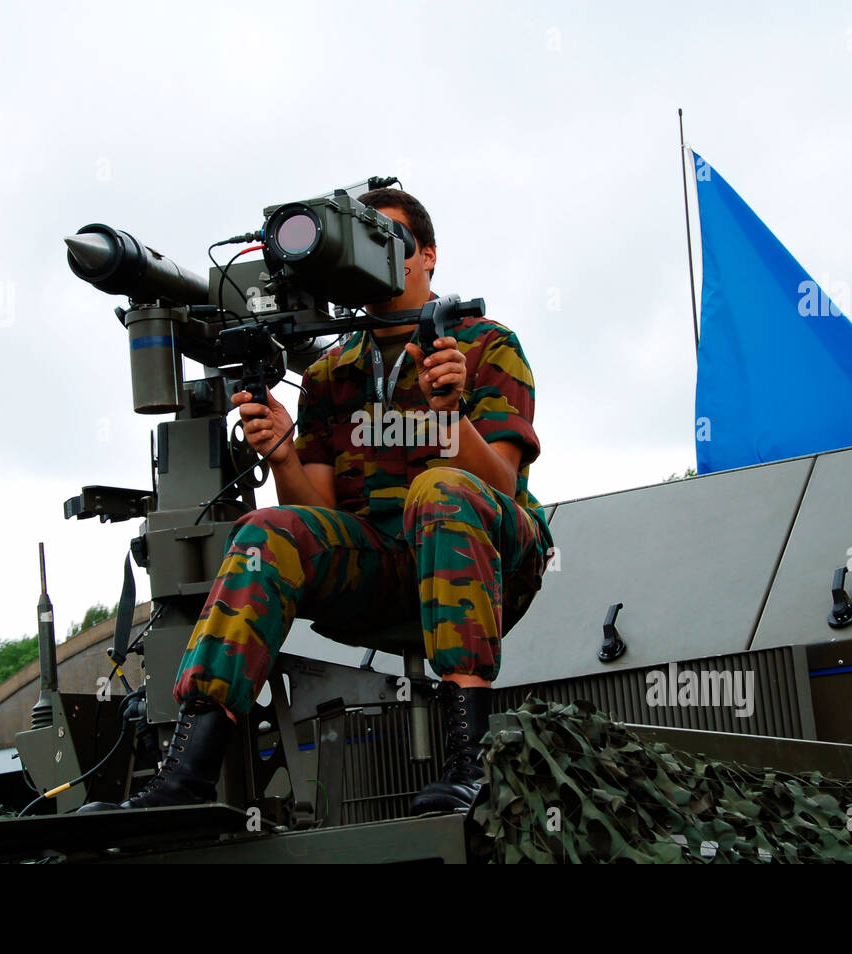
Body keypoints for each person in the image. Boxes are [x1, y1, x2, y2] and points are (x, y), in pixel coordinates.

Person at [78, 188, 553, 816]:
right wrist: (282, 456)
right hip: (384, 564)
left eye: (394, 242)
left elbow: (501, 487)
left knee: (440, 491)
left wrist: (452, 419)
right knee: (266, 530)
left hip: (489, 556)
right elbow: (319, 510)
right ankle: (186, 776)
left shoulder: (483, 345)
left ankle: (470, 763)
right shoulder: (333, 373)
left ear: (429, 256)